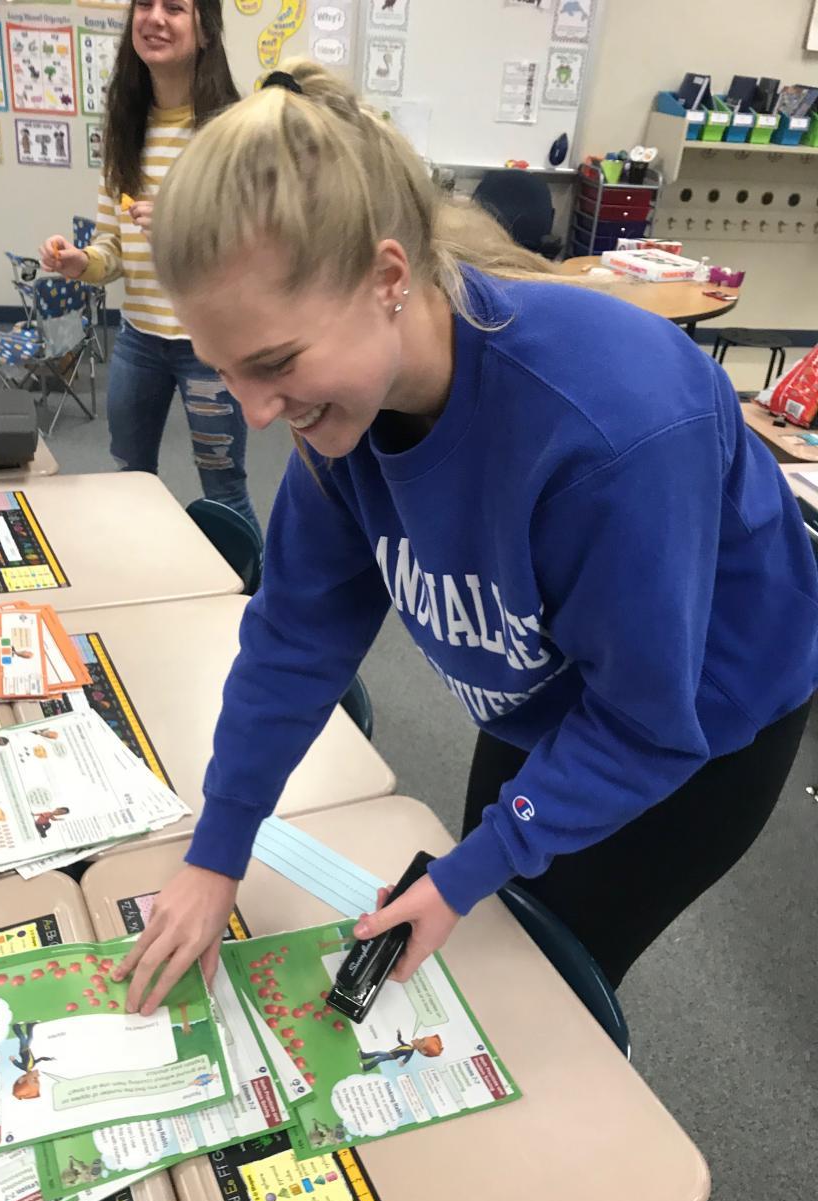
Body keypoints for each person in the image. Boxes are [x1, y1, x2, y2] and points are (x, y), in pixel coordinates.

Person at [114, 60, 818, 1016]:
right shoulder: (344, 411)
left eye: (275, 363)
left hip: (695, 724)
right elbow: (295, 639)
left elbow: (645, 723)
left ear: (387, 278)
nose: (257, 412)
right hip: (549, 690)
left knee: (542, 986)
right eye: (225, 370)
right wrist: (217, 849)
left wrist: (471, 871)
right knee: (478, 932)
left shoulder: (614, 431)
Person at [39, 0, 259, 536]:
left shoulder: (233, 132)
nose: (155, 17)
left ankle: (252, 585)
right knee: (130, 479)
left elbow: (255, 250)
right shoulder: (125, 128)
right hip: (139, 340)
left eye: (175, 7)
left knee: (224, 489)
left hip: (210, 348)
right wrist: (82, 262)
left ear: (205, 30)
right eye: (145, 4)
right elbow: (113, 247)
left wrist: (181, 227)